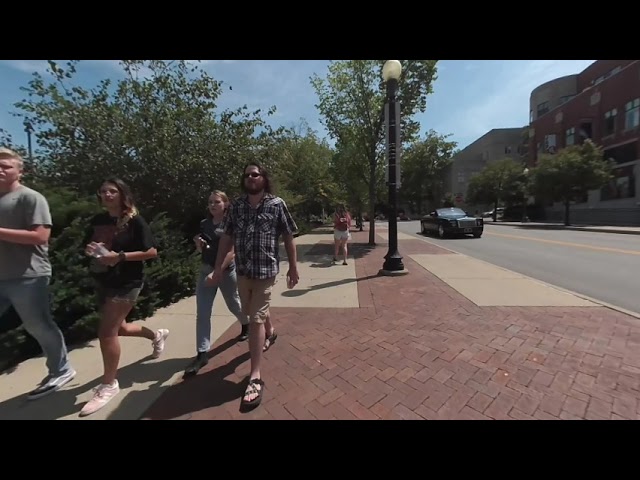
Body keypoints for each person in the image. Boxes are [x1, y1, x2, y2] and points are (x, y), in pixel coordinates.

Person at [212, 161, 299, 410]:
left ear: (263, 178)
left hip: (266, 271)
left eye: (255, 174)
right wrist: (218, 268)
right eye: (247, 175)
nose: (251, 177)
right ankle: (271, 332)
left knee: (255, 320)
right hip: (243, 272)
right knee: (253, 311)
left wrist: (293, 267)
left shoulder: (276, 204)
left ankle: (255, 376)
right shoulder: (236, 206)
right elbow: (226, 239)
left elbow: (288, 236)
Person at [79, 177, 167, 417]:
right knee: (121, 328)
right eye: (103, 191)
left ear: (121, 194)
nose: (106, 195)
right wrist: (92, 250)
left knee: (107, 333)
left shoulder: (135, 220)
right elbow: (89, 244)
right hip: (104, 281)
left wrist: (119, 257)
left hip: (128, 283)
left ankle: (109, 385)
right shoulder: (98, 220)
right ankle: (157, 335)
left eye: (111, 191)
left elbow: (151, 252)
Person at [0, 147, 76, 400]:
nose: (0, 169)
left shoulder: (30, 198)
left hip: (28, 275)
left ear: (19, 170)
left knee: (38, 325)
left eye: (6, 166)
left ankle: (61, 369)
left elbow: (41, 236)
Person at [184, 190, 249, 377]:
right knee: (203, 313)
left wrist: (218, 271)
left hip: (226, 272)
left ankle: (245, 324)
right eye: (210, 202)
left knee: (233, 303)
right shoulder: (204, 224)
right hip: (206, 271)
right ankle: (202, 353)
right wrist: (199, 244)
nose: (213, 205)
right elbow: (202, 249)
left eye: (217, 202)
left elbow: (232, 252)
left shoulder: (231, 224)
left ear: (225, 204)